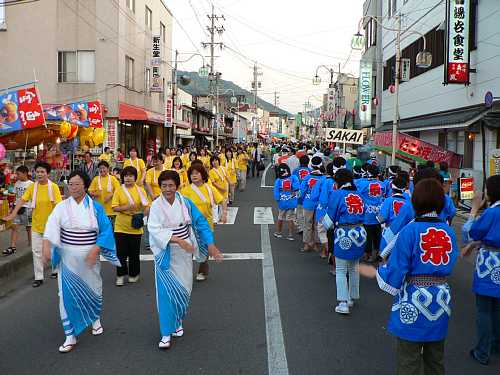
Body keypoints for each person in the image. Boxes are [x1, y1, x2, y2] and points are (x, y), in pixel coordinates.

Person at [360, 178, 459, 375]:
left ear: (415, 201)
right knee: (435, 358)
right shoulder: (448, 231)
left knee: (408, 359)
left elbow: (396, 272)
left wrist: (378, 271)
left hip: (414, 299)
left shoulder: (410, 231)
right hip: (441, 300)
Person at [42, 170, 119, 353]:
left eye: (77, 184)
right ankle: (70, 335)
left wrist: (96, 249)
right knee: (65, 295)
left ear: (85, 185)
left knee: (93, 288)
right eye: (71, 184)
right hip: (68, 258)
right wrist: (46, 245)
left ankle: (95, 318)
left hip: (89, 256)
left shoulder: (96, 207)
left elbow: (106, 231)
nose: (73, 188)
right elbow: (52, 225)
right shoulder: (61, 207)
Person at [147, 170, 223, 349]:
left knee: (185, 288)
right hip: (165, 253)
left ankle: (177, 320)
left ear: (177, 185)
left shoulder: (186, 203)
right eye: (164, 186)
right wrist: (178, 240)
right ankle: (165, 333)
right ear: (160, 187)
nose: (167, 189)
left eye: (171, 185)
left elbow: (201, 223)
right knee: (165, 292)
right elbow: (154, 229)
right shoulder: (156, 206)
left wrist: (210, 244)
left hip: (184, 253)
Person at [3, 162, 62, 287]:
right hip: (36, 225)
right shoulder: (32, 187)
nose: (40, 174)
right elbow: (22, 201)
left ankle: (56, 269)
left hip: (51, 227)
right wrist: (13, 214)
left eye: (42, 172)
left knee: (52, 250)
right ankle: (38, 277)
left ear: (47, 173)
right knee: (36, 251)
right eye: (38, 171)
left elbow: (59, 207)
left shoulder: (54, 187)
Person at [462, 175, 500, 365]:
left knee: (484, 308)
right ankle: (496, 345)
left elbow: (471, 231)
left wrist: (474, 209)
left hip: (490, 262)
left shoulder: (491, 213)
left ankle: (482, 351)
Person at [318, 169, 366, 314]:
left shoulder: (338, 194)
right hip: (360, 233)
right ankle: (351, 298)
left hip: (344, 233)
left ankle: (343, 303)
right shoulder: (359, 195)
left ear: (338, 181)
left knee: (340, 269)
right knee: (353, 268)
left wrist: (323, 224)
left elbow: (330, 218)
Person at [381, 168, 457, 259]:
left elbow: (394, 231)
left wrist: (383, 250)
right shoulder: (447, 200)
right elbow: (451, 214)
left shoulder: (411, 205)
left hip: (414, 253)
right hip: (439, 250)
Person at [181, 162, 226, 281]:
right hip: (190, 225)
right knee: (188, 250)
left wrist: (224, 213)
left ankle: (203, 271)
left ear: (202, 175)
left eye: (197, 173)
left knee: (205, 249)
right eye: (191, 174)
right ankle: (186, 272)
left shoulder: (209, 188)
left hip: (207, 224)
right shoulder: (185, 191)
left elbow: (222, 200)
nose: (194, 176)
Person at [112, 166, 150, 286]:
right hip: (120, 226)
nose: (128, 178)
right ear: (123, 177)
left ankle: (134, 274)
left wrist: (141, 215)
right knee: (120, 253)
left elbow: (147, 206)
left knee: (134, 253)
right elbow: (115, 207)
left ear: (135, 177)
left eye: (131, 176)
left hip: (135, 227)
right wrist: (127, 207)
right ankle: (120, 275)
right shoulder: (119, 190)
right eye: (126, 176)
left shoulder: (140, 190)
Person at [358, 164, 385, 263]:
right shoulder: (382, 184)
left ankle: (367, 254)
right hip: (379, 212)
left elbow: (358, 196)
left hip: (367, 213)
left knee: (368, 235)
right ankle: (378, 253)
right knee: (378, 234)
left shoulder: (362, 184)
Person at [3, 165, 33, 256]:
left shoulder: (31, 184)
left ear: (25, 173)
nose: (17, 175)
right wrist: (12, 209)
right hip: (17, 208)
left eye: (18, 174)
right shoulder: (17, 183)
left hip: (27, 208)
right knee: (14, 227)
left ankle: (31, 246)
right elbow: (15, 197)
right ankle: (13, 247)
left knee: (29, 228)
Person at [299, 156, 325, 253]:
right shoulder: (323, 178)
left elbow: (302, 191)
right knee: (318, 224)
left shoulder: (307, 177)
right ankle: (316, 244)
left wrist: (300, 199)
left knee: (307, 224)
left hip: (308, 203)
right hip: (320, 204)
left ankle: (307, 244)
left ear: (312, 165)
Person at [273, 163, 299, 241]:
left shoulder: (278, 180)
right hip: (291, 200)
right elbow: (297, 187)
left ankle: (278, 232)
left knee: (280, 217)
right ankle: (290, 234)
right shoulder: (293, 177)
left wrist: (277, 198)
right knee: (290, 218)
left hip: (282, 201)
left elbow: (276, 191)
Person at [292, 155, 311, 234]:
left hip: (299, 192)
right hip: (308, 193)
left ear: (300, 162)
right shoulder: (311, 171)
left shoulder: (296, 170)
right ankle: (307, 226)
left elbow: (293, 182)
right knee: (307, 211)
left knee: (299, 210)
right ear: (308, 162)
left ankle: (301, 227)